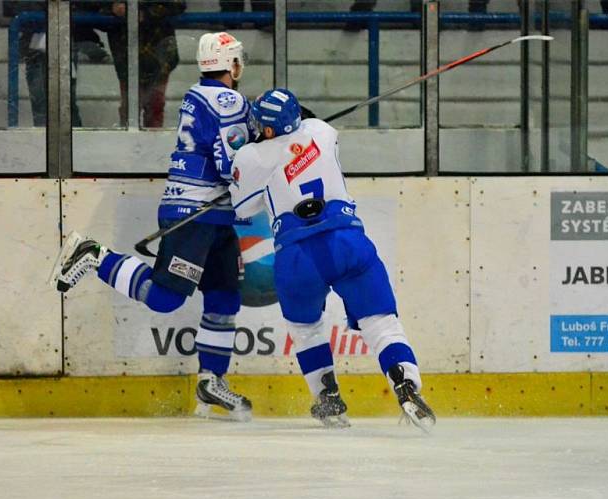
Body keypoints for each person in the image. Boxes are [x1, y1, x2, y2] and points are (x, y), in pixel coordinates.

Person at [49, 32, 254, 421]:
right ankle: (94, 255)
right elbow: (231, 165)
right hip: (196, 213)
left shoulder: (201, 95)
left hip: (213, 215)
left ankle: (211, 381)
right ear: (231, 64)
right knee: (166, 298)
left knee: (225, 297)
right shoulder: (229, 100)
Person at [228, 88, 436, 431]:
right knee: (380, 323)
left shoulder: (251, 158)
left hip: (296, 255)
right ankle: (406, 382)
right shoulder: (324, 133)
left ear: (266, 129)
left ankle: (328, 398)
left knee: (306, 329)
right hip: (347, 242)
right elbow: (303, 128)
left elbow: (243, 208)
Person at [99, 1, 186, 127]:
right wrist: (112, 8)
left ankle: (153, 142)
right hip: (127, 53)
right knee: (130, 107)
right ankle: (128, 140)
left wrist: (145, 14)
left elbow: (178, 5)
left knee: (154, 104)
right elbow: (92, 7)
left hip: (156, 53)